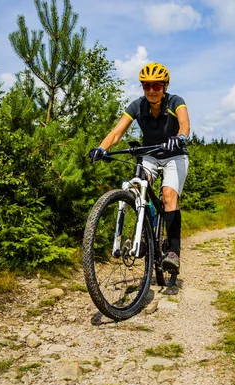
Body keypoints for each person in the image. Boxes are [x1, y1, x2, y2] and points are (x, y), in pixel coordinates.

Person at [88, 62, 190, 273]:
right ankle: (146, 234)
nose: (152, 90)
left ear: (165, 86)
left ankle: (173, 252)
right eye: (146, 86)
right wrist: (101, 148)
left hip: (175, 154)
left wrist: (179, 138)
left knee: (169, 195)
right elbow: (116, 133)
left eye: (156, 86)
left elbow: (184, 124)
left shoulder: (175, 102)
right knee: (136, 190)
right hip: (150, 155)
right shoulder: (137, 106)